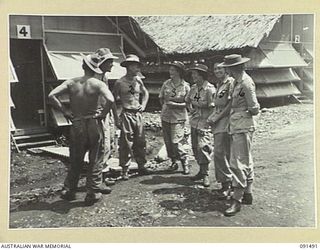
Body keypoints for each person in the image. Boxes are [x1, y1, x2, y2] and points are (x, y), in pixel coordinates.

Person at [48, 53, 115, 206]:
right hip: (93, 122)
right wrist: (103, 114)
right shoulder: (98, 84)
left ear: (83, 66)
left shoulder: (71, 82)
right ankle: (93, 192)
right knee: (96, 158)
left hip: (77, 123)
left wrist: (65, 111)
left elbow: (52, 95)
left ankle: (69, 190)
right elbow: (110, 99)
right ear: (95, 68)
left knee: (76, 158)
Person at [218, 54, 260, 216]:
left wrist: (243, 113)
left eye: (227, 67)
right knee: (246, 159)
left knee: (237, 162)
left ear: (233, 68)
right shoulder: (237, 82)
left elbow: (254, 107)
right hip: (238, 124)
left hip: (243, 125)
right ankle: (247, 193)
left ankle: (237, 200)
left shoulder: (245, 84)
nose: (225, 69)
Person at [112, 54, 150, 180]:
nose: (137, 69)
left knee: (141, 141)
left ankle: (141, 165)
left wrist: (143, 105)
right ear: (128, 67)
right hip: (126, 114)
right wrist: (116, 118)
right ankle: (125, 169)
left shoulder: (138, 80)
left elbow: (145, 93)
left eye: (138, 66)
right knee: (126, 143)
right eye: (135, 66)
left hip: (138, 114)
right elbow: (112, 100)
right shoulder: (120, 82)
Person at [207, 57, 234, 199]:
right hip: (218, 120)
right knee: (220, 152)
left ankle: (228, 184)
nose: (217, 71)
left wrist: (217, 117)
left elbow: (230, 104)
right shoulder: (219, 84)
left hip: (226, 120)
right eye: (215, 68)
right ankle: (225, 184)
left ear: (226, 69)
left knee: (220, 152)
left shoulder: (230, 83)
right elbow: (217, 105)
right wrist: (212, 116)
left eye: (220, 68)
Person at [186, 63, 216, 187]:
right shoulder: (193, 88)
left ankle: (206, 174)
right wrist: (190, 109)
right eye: (193, 74)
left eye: (195, 74)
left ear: (202, 75)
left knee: (203, 147)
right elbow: (187, 100)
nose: (193, 76)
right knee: (195, 148)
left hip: (205, 123)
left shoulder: (209, 89)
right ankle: (201, 171)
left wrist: (209, 122)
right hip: (194, 122)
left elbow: (214, 108)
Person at [159, 61, 190, 175]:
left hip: (179, 118)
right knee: (168, 142)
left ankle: (185, 162)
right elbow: (161, 98)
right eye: (170, 70)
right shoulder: (166, 84)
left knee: (177, 141)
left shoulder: (185, 86)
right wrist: (165, 107)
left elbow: (188, 104)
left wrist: (175, 105)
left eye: (173, 70)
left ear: (179, 72)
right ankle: (173, 162)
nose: (170, 72)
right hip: (166, 116)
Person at [94, 48, 118, 186]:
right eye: (109, 62)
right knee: (101, 146)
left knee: (108, 145)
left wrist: (114, 115)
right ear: (102, 63)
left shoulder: (105, 77)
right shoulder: (94, 78)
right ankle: (98, 179)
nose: (112, 65)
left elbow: (110, 98)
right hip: (98, 115)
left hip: (106, 113)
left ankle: (103, 173)